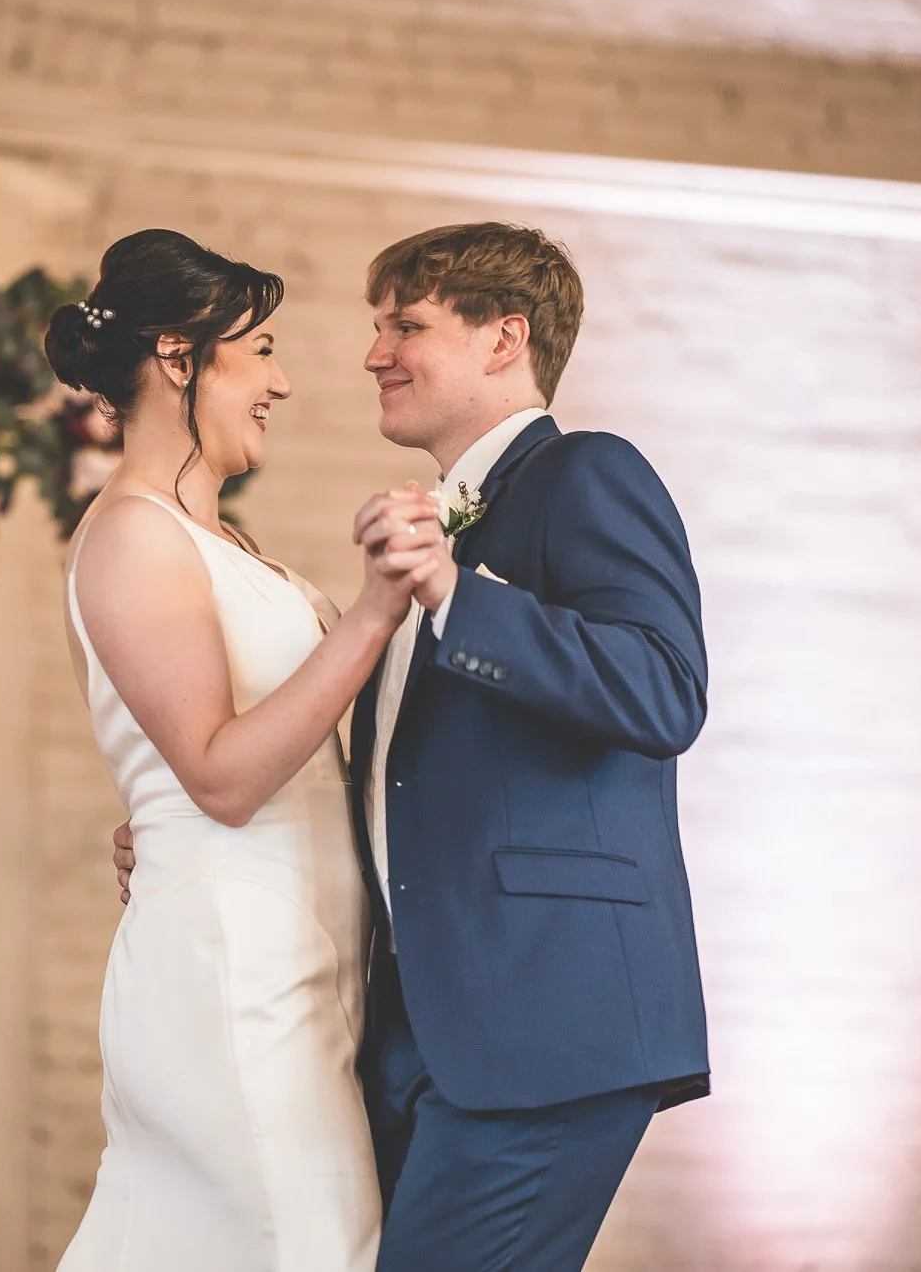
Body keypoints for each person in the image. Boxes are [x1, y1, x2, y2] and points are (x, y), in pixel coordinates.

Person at [112, 222, 712, 1271]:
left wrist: (451, 595)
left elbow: (664, 689)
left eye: (405, 325)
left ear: (501, 339)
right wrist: (199, 842)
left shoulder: (584, 475)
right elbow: (405, 781)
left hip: (542, 1020)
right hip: (426, 1028)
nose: (370, 353)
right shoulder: (443, 528)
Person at [48, 228, 445, 1271]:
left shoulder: (217, 541)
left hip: (294, 964)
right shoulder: (134, 534)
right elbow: (219, 778)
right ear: (179, 357)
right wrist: (371, 611)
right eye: (259, 349)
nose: (279, 381)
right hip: (229, 976)